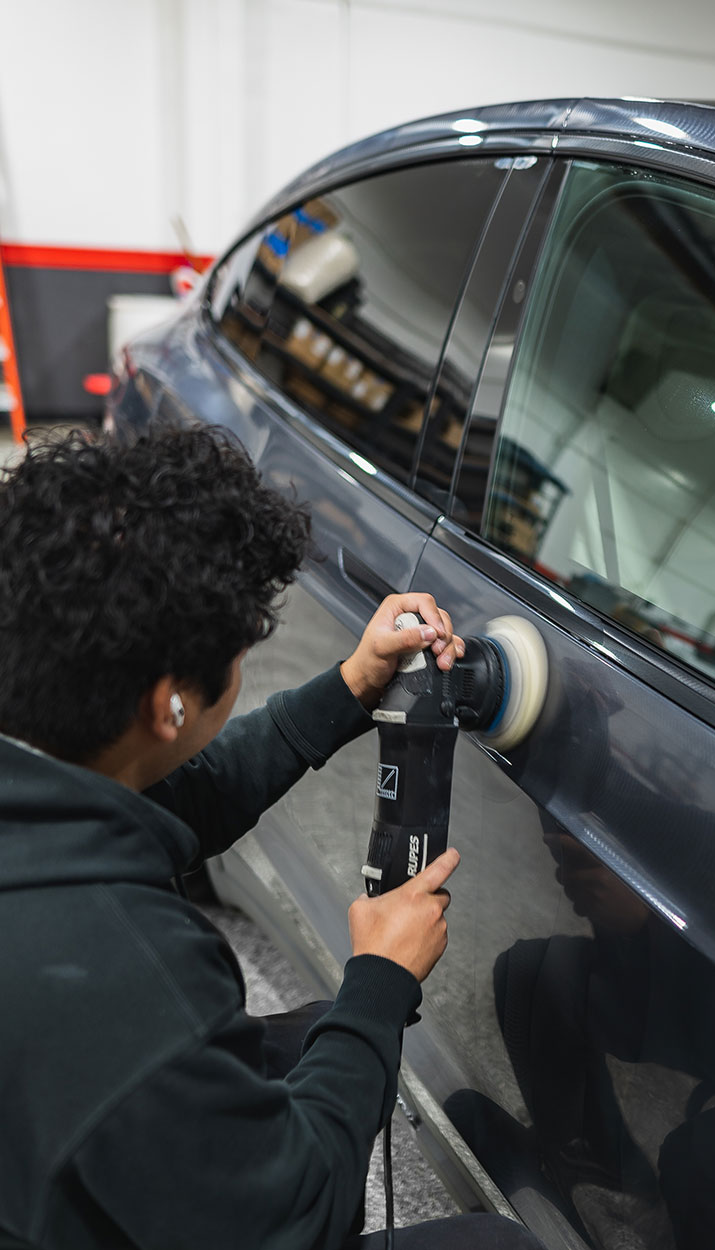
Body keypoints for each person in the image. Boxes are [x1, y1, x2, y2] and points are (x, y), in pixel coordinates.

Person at [0, 423, 542, 1250]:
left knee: (303, 1042)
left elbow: (182, 798)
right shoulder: (126, 970)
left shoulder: (46, 780)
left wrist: (354, 686)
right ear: (166, 703)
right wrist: (380, 984)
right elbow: (296, 1217)